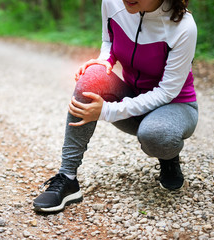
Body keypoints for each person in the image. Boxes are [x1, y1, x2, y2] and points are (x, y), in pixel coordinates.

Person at [33, 0, 198, 213]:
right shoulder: (112, 3)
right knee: (91, 75)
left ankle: (168, 157)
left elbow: (167, 91)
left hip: (175, 105)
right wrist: (105, 61)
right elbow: (108, 40)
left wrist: (107, 111)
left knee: (157, 135)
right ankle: (67, 178)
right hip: (132, 97)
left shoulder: (183, 26)